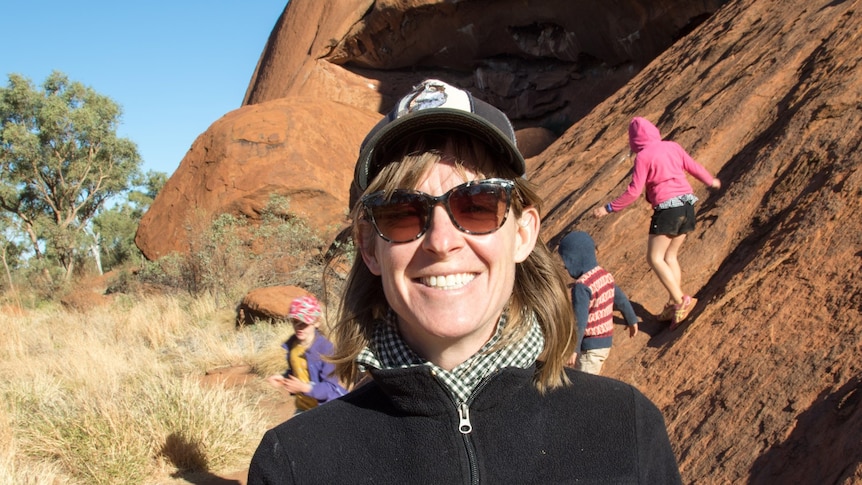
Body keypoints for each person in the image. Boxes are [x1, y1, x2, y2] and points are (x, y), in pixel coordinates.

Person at [249, 79, 681, 484]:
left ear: (523, 233)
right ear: (368, 247)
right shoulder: (294, 464)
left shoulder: (626, 427)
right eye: (401, 213)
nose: (441, 242)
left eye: (477, 204)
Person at [594, 116, 721, 330]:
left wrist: (608, 208)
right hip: (687, 205)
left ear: (634, 141)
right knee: (670, 256)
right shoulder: (673, 146)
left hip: (668, 209)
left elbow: (634, 192)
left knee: (654, 258)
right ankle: (674, 302)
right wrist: (710, 180)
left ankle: (680, 300)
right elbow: (693, 167)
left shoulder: (643, 156)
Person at [558, 230, 639, 374]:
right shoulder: (604, 275)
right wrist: (632, 320)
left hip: (590, 347)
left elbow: (580, 322)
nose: (565, 267)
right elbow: (621, 300)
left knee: (583, 387)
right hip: (605, 342)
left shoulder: (582, 287)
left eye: (566, 262)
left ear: (574, 259)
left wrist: (574, 349)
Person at [265, 295, 347, 413]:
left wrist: (304, 388)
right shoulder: (293, 347)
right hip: (302, 408)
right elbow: (299, 373)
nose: (299, 328)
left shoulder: (326, 349)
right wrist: (283, 379)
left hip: (325, 409)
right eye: (295, 322)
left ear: (316, 322)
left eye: (304, 323)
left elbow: (331, 388)